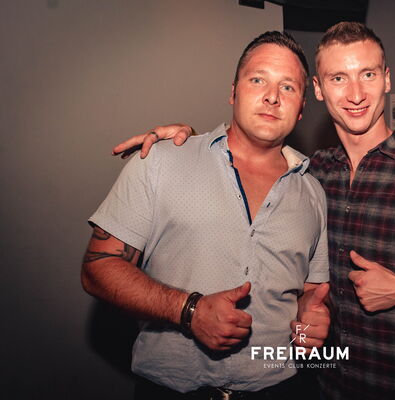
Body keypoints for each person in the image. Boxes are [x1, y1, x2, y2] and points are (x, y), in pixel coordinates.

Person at [114, 22, 395, 399]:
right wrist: (186, 143)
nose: (355, 94)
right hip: (328, 379)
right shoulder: (310, 174)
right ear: (319, 89)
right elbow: (248, 151)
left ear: (387, 79)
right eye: (339, 78)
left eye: (368, 75)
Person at [82, 31, 331, 399]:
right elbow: (98, 268)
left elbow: (308, 291)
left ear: (301, 108)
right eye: (258, 79)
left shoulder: (312, 193)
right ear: (233, 92)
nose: (272, 96)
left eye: (288, 87)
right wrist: (189, 310)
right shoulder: (161, 161)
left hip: (281, 389)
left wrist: (310, 318)